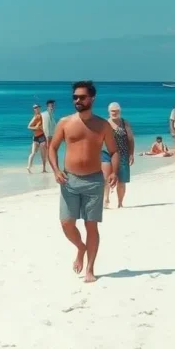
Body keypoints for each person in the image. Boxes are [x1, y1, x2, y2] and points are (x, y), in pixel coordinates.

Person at [47, 81, 118, 283]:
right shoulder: (65, 122)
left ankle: (90, 268)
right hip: (69, 180)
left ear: (92, 98)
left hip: (95, 181)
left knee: (91, 227)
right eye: (75, 97)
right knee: (66, 223)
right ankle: (80, 247)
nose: (78, 100)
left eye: (82, 97)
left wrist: (112, 171)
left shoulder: (102, 125)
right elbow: (52, 148)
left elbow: (113, 151)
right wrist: (56, 170)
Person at [102, 103, 134, 209]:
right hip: (107, 154)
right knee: (106, 178)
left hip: (123, 154)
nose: (114, 113)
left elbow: (130, 139)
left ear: (120, 111)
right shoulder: (105, 124)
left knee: (121, 180)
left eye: (116, 111)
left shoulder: (124, 123)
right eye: (112, 111)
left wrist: (131, 154)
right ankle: (106, 199)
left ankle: (120, 203)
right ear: (109, 112)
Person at [26, 104, 47, 173]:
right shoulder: (35, 117)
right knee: (33, 153)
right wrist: (36, 128)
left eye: (37, 107)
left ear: (39, 108)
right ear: (34, 110)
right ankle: (28, 167)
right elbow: (29, 127)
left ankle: (44, 169)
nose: (36, 109)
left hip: (41, 136)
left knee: (42, 154)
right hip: (37, 137)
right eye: (35, 108)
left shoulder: (42, 116)